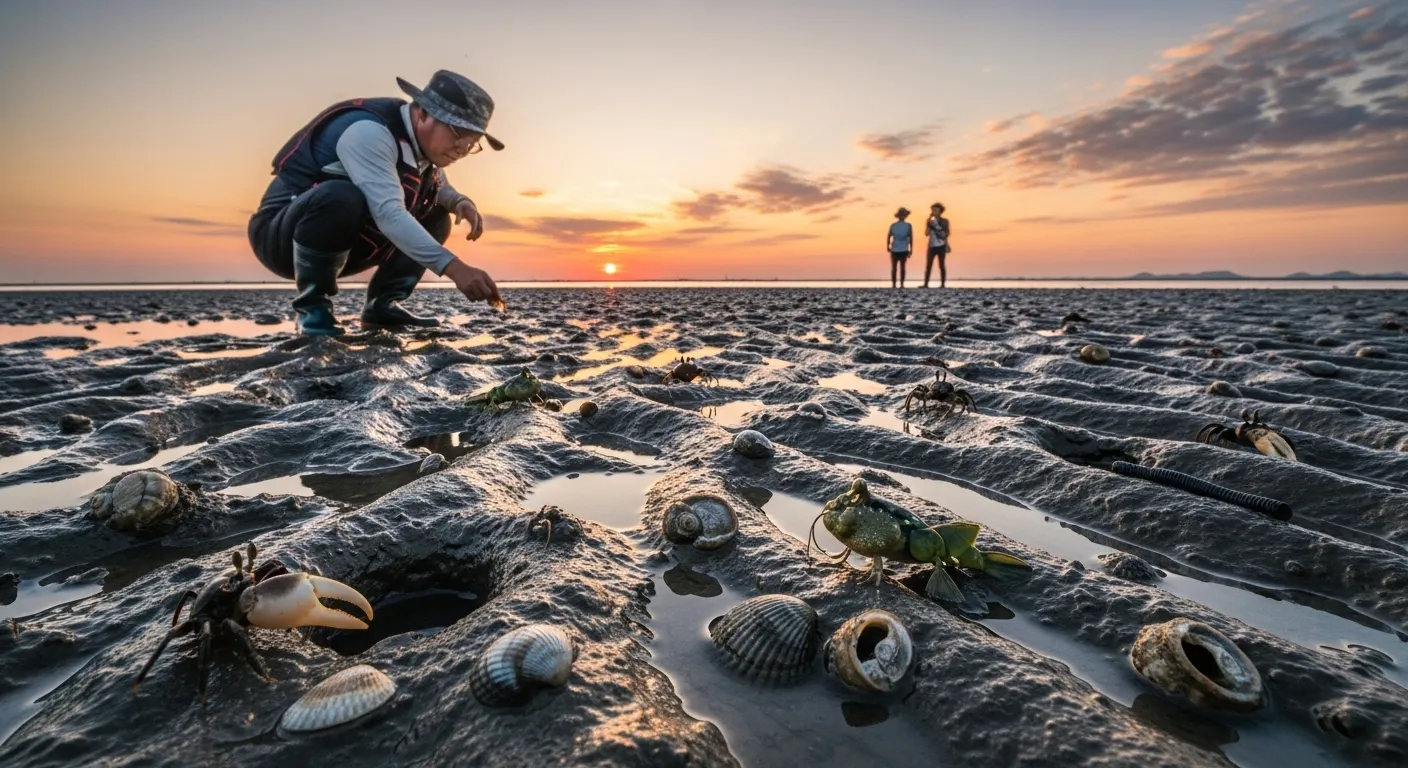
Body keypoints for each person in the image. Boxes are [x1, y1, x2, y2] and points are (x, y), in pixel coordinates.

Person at [247, 70, 505, 336]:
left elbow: (435, 182)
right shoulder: (370, 132)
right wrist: (455, 269)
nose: (462, 148)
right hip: (282, 239)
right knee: (341, 196)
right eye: (457, 133)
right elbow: (389, 214)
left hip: (347, 246)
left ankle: (382, 307)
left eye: (473, 142)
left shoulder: (424, 149)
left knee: (437, 216)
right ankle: (313, 311)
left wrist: (459, 202)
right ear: (424, 113)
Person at [924, 202, 951, 288]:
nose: (933, 211)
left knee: (941, 265)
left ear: (940, 211)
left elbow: (946, 234)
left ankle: (943, 284)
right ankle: (926, 284)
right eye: (932, 210)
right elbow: (926, 233)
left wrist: (947, 245)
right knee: (928, 265)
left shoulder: (945, 221)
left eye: (935, 210)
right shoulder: (929, 221)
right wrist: (929, 224)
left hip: (941, 245)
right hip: (931, 246)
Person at [886, 207, 913, 288]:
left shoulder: (908, 225)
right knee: (894, 268)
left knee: (902, 267)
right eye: (901, 215)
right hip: (895, 249)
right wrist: (888, 246)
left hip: (903, 249)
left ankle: (901, 284)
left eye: (903, 215)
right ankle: (894, 284)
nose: (902, 216)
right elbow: (889, 236)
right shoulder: (893, 225)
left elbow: (911, 238)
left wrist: (911, 250)